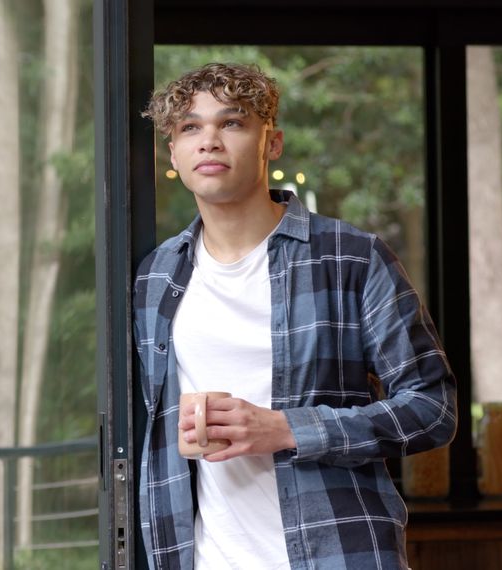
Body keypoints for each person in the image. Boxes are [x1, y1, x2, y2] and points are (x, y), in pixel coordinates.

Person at [133, 62, 457, 569]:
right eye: (190, 127)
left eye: (232, 123)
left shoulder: (351, 257)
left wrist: (287, 429)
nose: (209, 141)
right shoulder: (156, 277)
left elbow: (433, 410)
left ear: (272, 143)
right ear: (173, 151)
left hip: (338, 555)